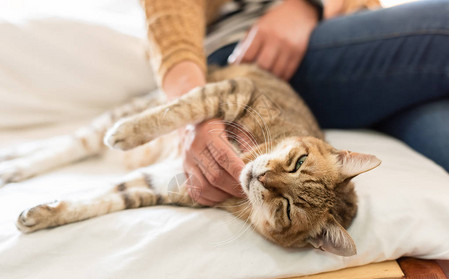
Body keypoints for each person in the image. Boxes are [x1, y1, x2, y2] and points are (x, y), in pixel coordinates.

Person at [141, 0, 449, 206]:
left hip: (358, 62)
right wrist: (195, 112)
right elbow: (169, 15)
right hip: (247, 54)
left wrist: (307, 6)